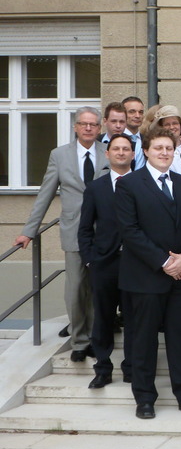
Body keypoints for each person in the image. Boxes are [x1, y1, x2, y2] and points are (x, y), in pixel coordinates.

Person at [115, 127, 181, 420]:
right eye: (158, 148)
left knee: (180, 338)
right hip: (146, 277)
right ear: (145, 151)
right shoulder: (129, 184)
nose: (164, 153)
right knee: (143, 340)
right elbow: (130, 231)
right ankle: (144, 398)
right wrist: (165, 263)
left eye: (169, 148)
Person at [15, 106, 106, 359]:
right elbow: (45, 194)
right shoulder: (60, 155)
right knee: (76, 288)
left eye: (93, 124)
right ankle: (79, 341)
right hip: (74, 230)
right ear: (76, 127)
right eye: (83, 124)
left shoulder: (108, 153)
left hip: (105, 233)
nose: (88, 128)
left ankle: (97, 338)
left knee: (99, 289)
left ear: (100, 128)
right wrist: (29, 230)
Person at [78, 134, 135, 388]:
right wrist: (90, 259)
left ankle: (132, 367)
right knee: (103, 318)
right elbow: (85, 228)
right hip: (104, 263)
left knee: (134, 318)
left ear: (133, 154)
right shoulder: (95, 188)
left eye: (126, 149)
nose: (121, 153)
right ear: (107, 154)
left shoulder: (142, 184)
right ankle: (102, 368)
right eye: (116, 149)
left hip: (136, 263)